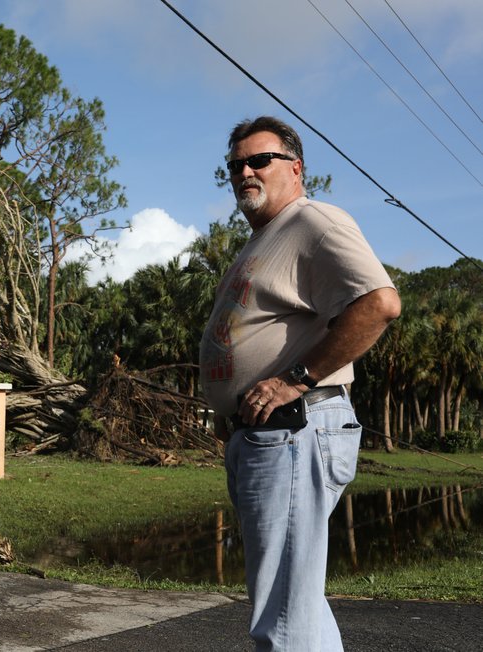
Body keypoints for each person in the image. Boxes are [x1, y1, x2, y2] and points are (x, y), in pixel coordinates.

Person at [199, 116, 401, 651]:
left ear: (295, 166)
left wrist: (296, 380)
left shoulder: (313, 221)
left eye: (258, 159)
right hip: (263, 436)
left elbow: (379, 304)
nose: (245, 170)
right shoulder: (266, 239)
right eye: (235, 164)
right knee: (297, 604)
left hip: (294, 429)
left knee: (283, 614)